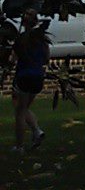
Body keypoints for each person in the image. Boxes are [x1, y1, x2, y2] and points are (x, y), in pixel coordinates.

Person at [11, 9, 49, 152]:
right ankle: (36, 131)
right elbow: (46, 58)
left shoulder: (21, 39)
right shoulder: (42, 40)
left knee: (20, 111)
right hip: (38, 77)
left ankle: (20, 146)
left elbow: (12, 59)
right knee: (24, 108)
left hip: (23, 77)